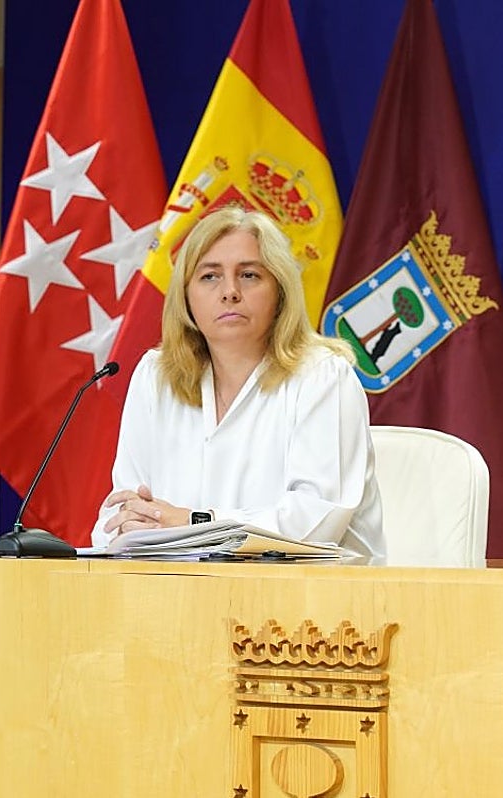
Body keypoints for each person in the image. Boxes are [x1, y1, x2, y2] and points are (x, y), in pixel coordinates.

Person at [91, 206, 386, 561]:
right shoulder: (156, 376)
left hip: (306, 592)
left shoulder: (323, 376)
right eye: (210, 276)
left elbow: (313, 525)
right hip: (179, 585)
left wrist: (195, 523)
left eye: (249, 275)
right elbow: (121, 510)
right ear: (186, 296)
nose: (230, 291)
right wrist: (129, 524)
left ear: (279, 291)